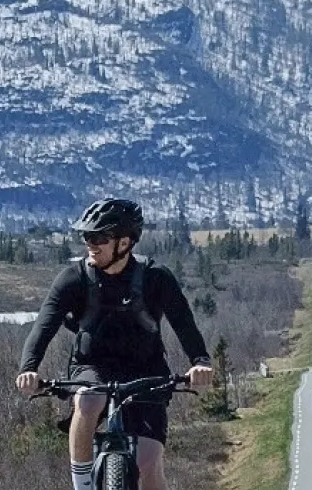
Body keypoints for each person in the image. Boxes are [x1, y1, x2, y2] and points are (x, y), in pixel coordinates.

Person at [15, 198, 213, 490]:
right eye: (87, 237)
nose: (90, 244)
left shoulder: (156, 278)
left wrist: (200, 362)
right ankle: (82, 484)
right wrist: (28, 368)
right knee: (88, 399)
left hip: (146, 370)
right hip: (92, 365)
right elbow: (44, 324)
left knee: (149, 462)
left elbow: (184, 324)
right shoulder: (74, 278)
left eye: (99, 238)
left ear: (125, 242)